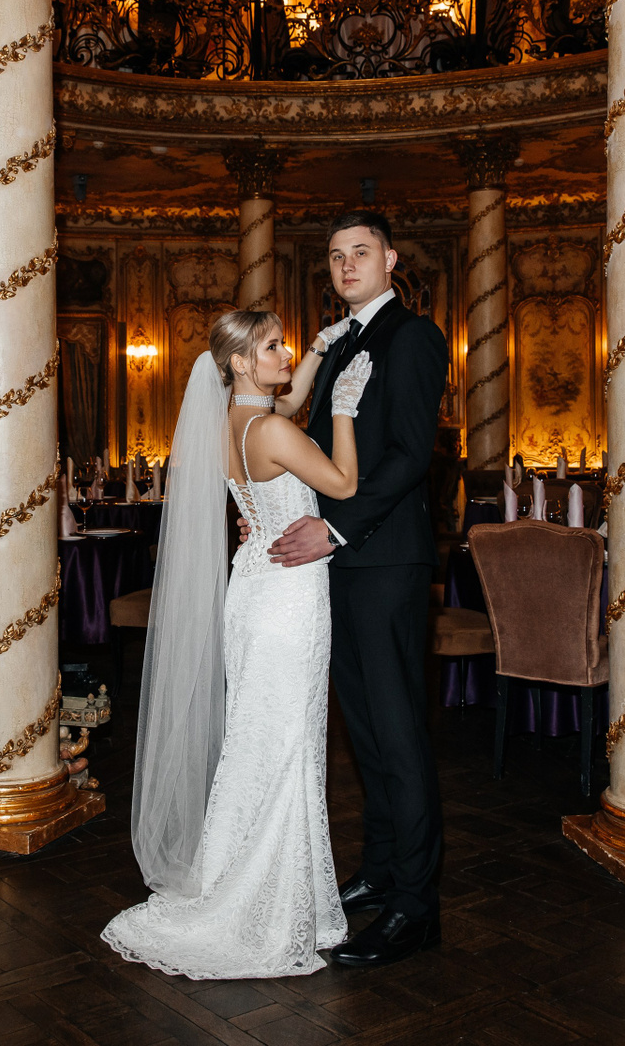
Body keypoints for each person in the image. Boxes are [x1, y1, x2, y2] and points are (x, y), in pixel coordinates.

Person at [103, 309, 373, 979]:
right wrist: (344, 409)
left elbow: (286, 405)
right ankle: (266, 906)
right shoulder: (273, 429)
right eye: (273, 347)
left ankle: (242, 878)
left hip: (253, 586)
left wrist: (319, 350)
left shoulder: (232, 423)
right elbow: (343, 484)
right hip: (290, 596)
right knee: (286, 746)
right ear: (243, 363)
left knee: (257, 742)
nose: (286, 355)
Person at [269, 208, 450, 968]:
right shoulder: (339, 341)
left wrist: (337, 530)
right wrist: (277, 513)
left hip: (385, 561)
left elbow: (410, 453)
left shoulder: (414, 337)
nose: (346, 265)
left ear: (390, 260)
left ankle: (417, 904)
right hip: (336, 563)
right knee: (365, 730)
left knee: (399, 731)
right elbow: (315, 452)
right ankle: (380, 869)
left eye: (361, 252)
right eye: (336, 255)